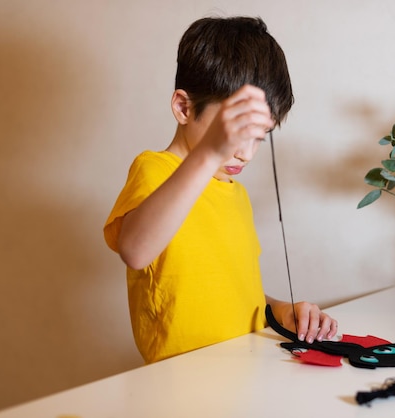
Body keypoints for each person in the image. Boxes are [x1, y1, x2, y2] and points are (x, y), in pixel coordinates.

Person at [104, 16, 338, 364]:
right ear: (184, 108)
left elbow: (236, 294)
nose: (245, 153)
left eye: (258, 138)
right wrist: (209, 152)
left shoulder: (236, 195)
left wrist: (281, 310)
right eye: (232, 134)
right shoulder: (155, 169)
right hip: (179, 384)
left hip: (241, 373)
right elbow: (135, 251)